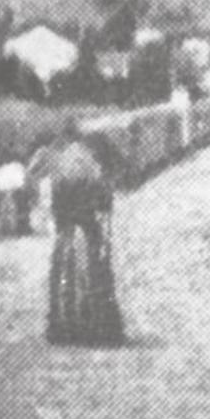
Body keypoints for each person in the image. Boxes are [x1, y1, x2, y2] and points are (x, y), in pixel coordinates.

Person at [40, 127, 125, 346]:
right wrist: (105, 234)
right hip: (89, 230)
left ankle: (64, 326)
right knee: (95, 273)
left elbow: (54, 208)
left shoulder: (60, 171)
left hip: (67, 232)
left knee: (63, 275)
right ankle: (97, 326)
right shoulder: (92, 168)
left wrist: (58, 229)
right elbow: (105, 207)